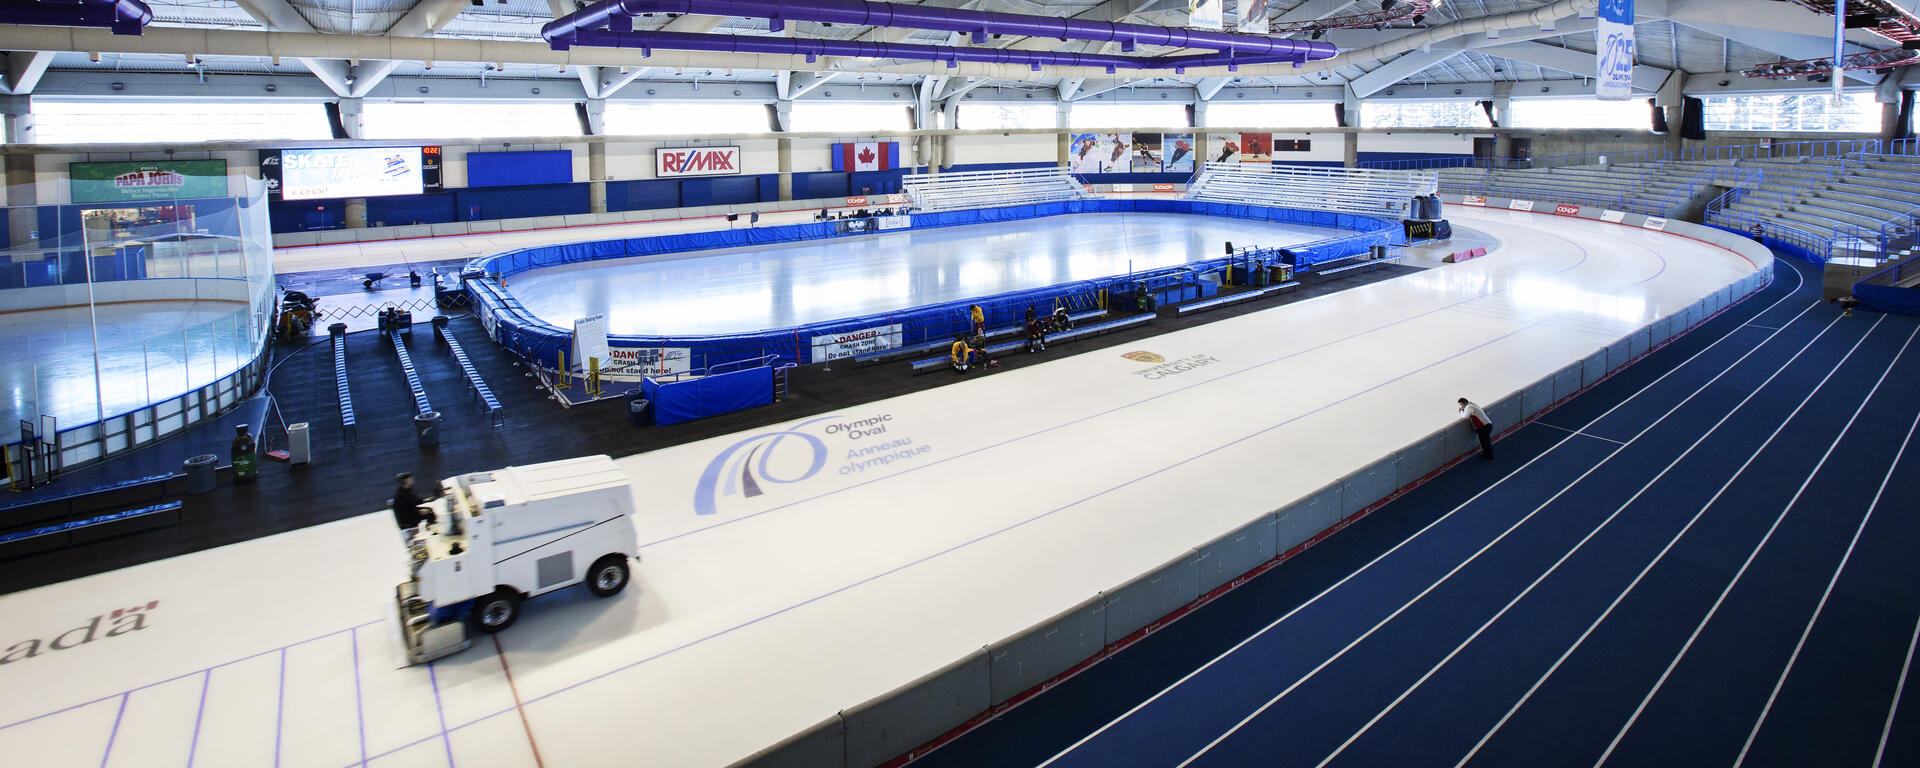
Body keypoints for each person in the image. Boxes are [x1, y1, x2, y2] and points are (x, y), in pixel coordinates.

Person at [392, 472, 435, 539]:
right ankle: (433, 530)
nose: (412, 479)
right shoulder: (402, 493)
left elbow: (414, 501)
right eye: (410, 478)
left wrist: (427, 500)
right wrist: (427, 500)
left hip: (410, 510)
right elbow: (414, 502)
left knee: (429, 509)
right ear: (405, 480)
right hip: (407, 516)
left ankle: (430, 527)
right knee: (428, 512)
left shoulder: (407, 489)